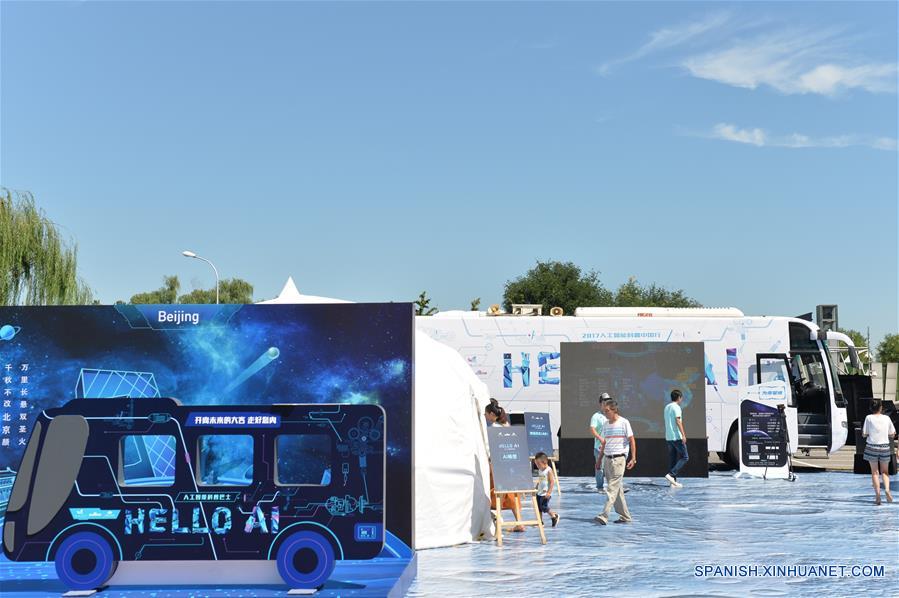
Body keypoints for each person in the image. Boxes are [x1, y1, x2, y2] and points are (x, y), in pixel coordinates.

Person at [595, 399, 636, 525]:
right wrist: (599, 460)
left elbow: (632, 440)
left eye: (607, 411)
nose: (605, 413)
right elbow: (604, 443)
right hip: (607, 459)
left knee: (611, 488)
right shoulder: (606, 425)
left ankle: (604, 515)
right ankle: (625, 516)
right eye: (604, 411)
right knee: (617, 490)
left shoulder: (624, 422)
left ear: (614, 410)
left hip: (619, 460)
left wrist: (633, 458)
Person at [485, 398, 524, 530]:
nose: (484, 416)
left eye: (486, 413)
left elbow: (492, 449)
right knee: (512, 493)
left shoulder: (494, 428)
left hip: (499, 465)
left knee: (498, 492)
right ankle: (519, 522)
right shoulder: (506, 425)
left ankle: (499, 523)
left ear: (491, 414)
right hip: (511, 463)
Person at [862, 399, 896, 505]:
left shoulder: (869, 418)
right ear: (881, 408)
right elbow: (893, 433)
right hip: (885, 447)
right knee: (885, 472)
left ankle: (877, 497)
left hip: (872, 447)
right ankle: (886, 489)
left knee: (875, 473)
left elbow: (864, 433)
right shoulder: (887, 418)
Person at [664, 389, 689, 488]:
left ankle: (672, 482)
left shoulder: (667, 407)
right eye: (681, 398)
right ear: (679, 398)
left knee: (673, 459)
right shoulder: (676, 407)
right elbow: (678, 421)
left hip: (669, 437)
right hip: (676, 436)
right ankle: (671, 474)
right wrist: (683, 435)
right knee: (685, 457)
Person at [589, 392, 611, 490]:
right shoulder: (596, 416)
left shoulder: (611, 414)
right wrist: (600, 438)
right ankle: (600, 487)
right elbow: (592, 429)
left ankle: (613, 487)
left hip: (611, 447)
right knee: (600, 469)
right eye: (604, 401)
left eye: (608, 401)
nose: (606, 403)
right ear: (601, 403)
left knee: (612, 468)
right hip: (599, 447)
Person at [534, 452, 560, 527]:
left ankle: (554, 516)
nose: (537, 466)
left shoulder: (549, 470)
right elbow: (540, 480)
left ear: (544, 462)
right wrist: (536, 487)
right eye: (536, 464)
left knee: (544, 507)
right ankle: (540, 522)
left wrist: (549, 492)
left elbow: (552, 482)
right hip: (539, 492)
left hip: (545, 493)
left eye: (538, 464)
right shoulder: (540, 470)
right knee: (538, 508)